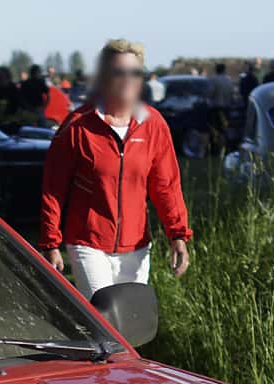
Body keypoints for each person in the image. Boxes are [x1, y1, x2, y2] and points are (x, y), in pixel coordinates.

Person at [39, 38, 192, 298]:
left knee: (130, 324)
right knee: (104, 318)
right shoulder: (78, 125)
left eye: (134, 73)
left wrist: (177, 235)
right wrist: (50, 242)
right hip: (88, 243)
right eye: (118, 72)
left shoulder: (153, 124)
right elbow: (53, 187)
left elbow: (166, 185)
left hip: (137, 245)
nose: (127, 79)